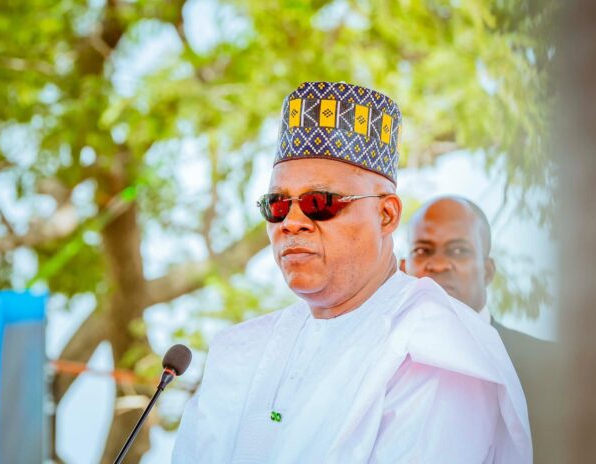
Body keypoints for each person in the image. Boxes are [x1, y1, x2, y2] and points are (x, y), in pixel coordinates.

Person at [173, 82, 531, 463]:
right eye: (277, 205)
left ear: (386, 215)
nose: (292, 222)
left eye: (319, 202)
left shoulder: (436, 347)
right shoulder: (239, 351)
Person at [400, 196, 556, 464]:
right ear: (404, 269)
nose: (439, 264)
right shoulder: (383, 370)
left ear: (488, 271)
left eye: (458, 250)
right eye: (422, 250)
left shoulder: (551, 366)